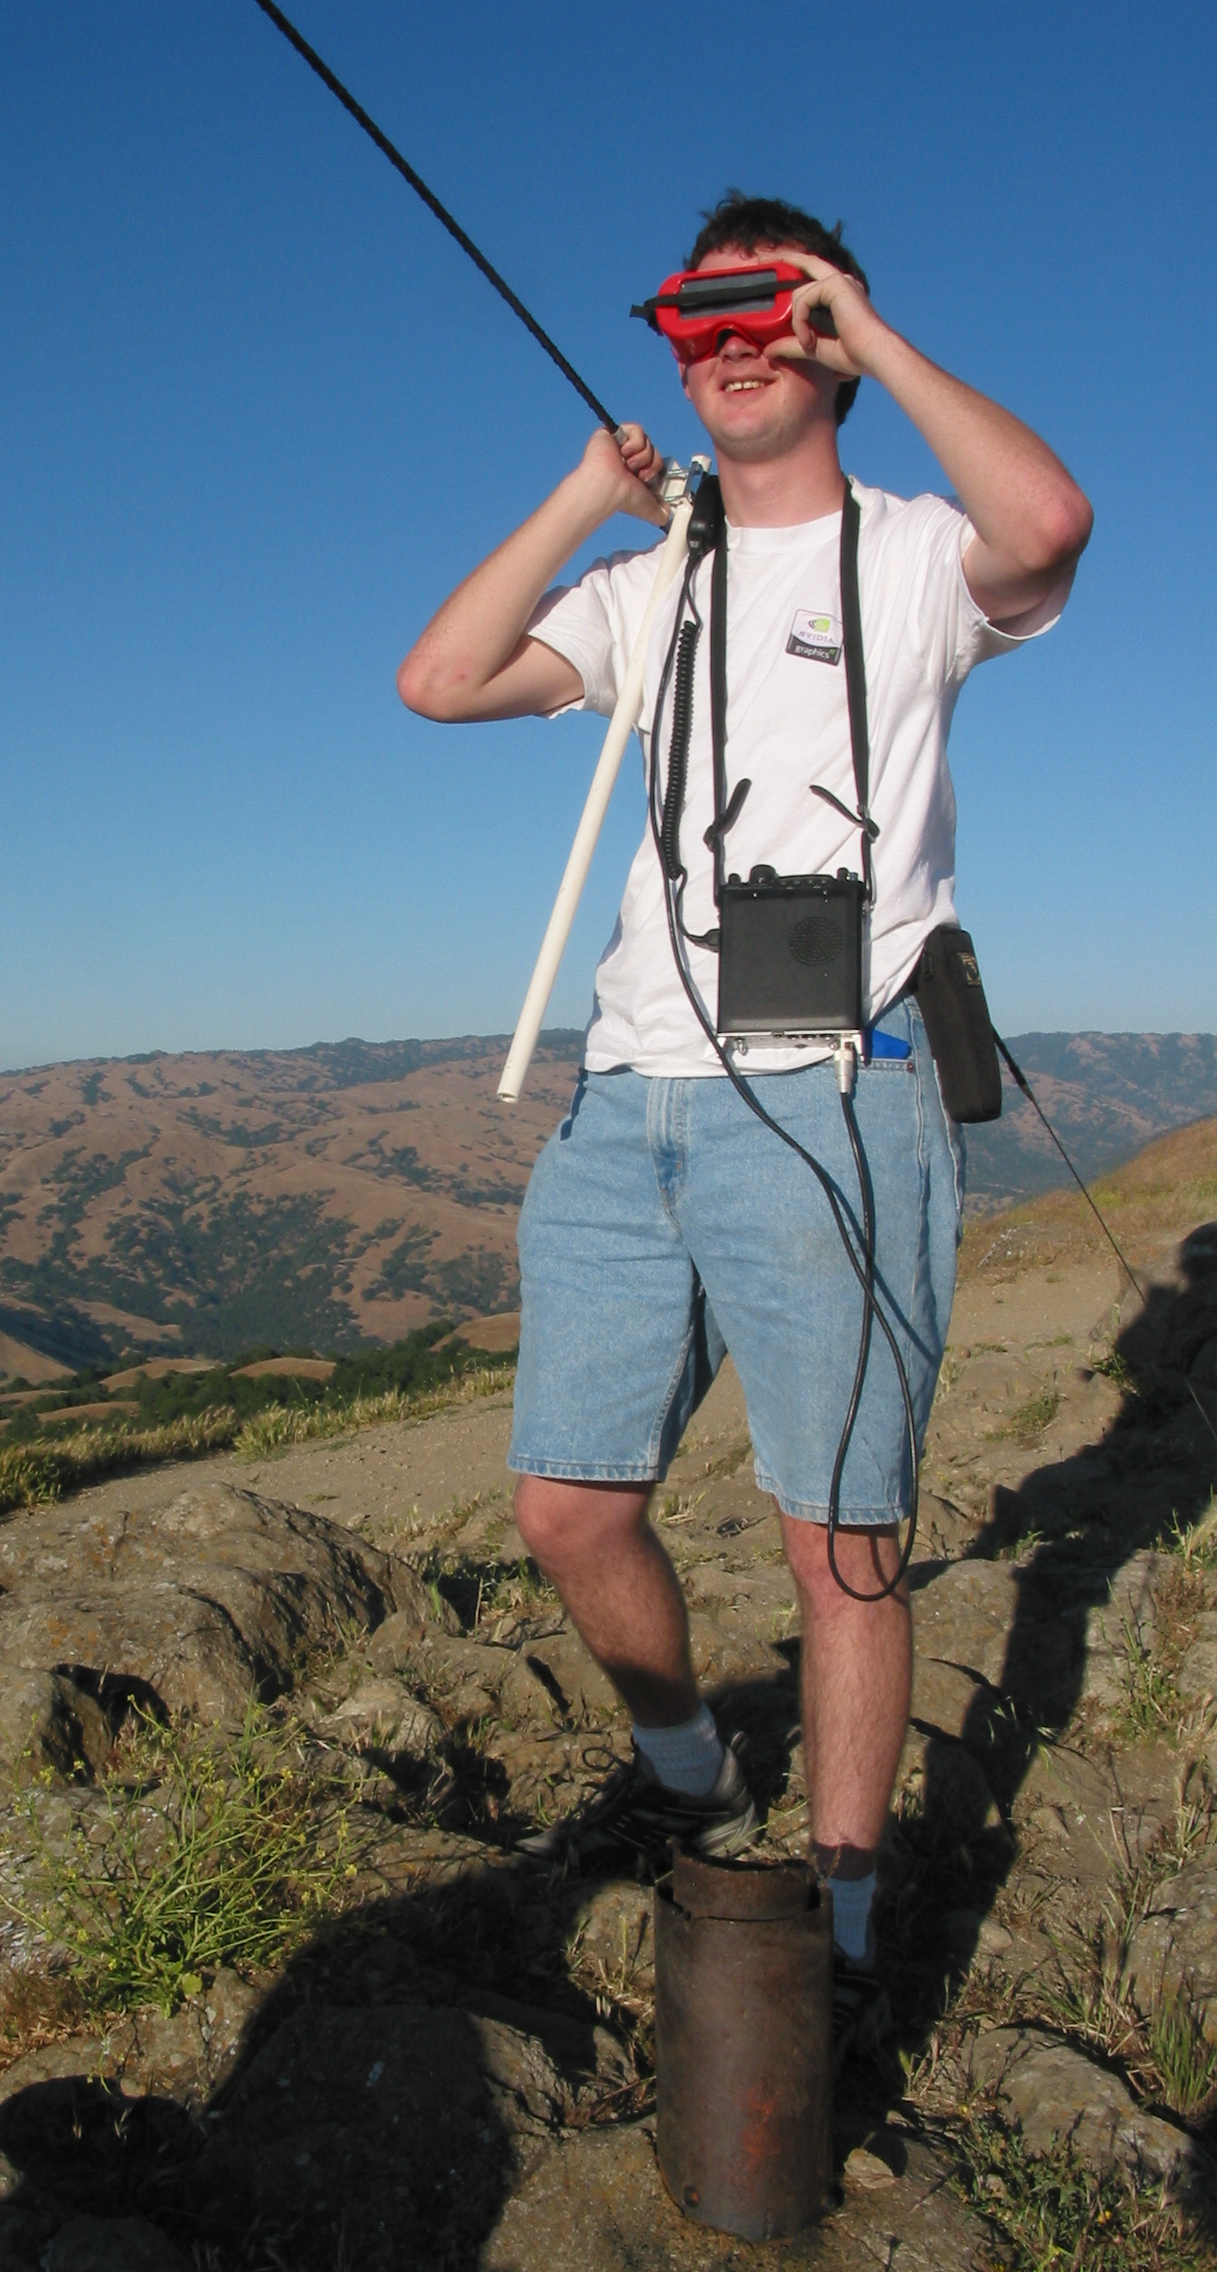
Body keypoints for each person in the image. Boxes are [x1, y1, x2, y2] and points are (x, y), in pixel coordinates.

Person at [397, 192, 1090, 2038]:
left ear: (833, 333)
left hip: (841, 1100)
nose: (734, 346)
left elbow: (1052, 525)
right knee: (564, 1508)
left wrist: (875, 339)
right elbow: (440, 682)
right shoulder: (653, 588)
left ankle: (848, 1917)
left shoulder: (922, 552)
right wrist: (582, 499)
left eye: (771, 315)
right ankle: (692, 1767)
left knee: (841, 1545)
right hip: (634, 1100)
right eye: (699, 322)